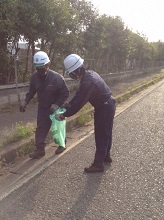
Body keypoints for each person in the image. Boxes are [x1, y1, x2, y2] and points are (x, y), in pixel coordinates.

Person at [55, 54, 116, 173]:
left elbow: (80, 103)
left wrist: (64, 115)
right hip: (108, 105)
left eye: (70, 72)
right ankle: (106, 156)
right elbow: (79, 95)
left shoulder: (89, 82)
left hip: (104, 107)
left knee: (101, 135)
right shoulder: (89, 74)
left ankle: (98, 164)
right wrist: (68, 104)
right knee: (106, 132)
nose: (70, 75)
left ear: (77, 70)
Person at [20, 51, 69, 158]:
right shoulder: (34, 77)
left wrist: (56, 105)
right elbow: (31, 91)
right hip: (43, 107)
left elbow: (65, 93)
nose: (39, 70)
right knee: (41, 128)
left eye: (41, 67)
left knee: (58, 127)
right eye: (37, 68)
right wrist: (25, 102)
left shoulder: (57, 78)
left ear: (47, 65)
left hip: (57, 108)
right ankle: (40, 150)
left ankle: (62, 144)